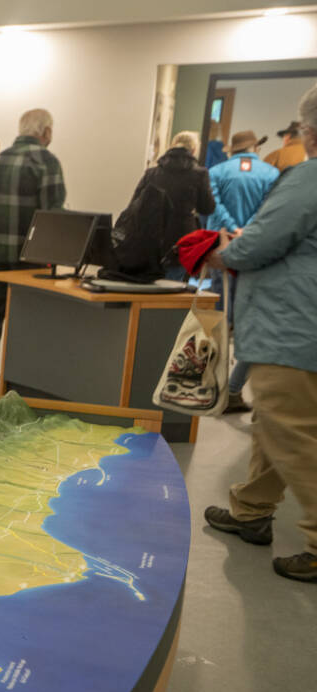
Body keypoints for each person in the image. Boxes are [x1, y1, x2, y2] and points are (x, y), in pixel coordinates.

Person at [202, 83, 317, 583]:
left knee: (293, 432)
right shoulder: (278, 174)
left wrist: (225, 252)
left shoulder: (307, 179)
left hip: (292, 323)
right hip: (302, 326)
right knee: (277, 421)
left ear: (309, 130)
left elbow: (262, 242)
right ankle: (252, 510)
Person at [0, 109, 66, 385]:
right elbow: (52, 213)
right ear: (45, 131)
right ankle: (23, 375)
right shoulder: (46, 160)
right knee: (28, 314)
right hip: (30, 255)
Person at [207, 130, 281, 413]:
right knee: (248, 311)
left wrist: (231, 227)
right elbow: (268, 210)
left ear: (233, 151)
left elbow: (213, 207)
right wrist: (247, 230)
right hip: (253, 249)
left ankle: (211, 376)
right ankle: (234, 385)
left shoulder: (217, 171)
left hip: (222, 245)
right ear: (254, 149)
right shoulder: (271, 174)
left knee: (218, 310)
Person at [123, 130, 216, 281]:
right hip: (182, 239)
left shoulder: (151, 173)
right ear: (193, 150)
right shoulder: (200, 174)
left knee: (146, 286)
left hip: (150, 238)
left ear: (171, 147)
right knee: (173, 290)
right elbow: (207, 208)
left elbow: (134, 205)